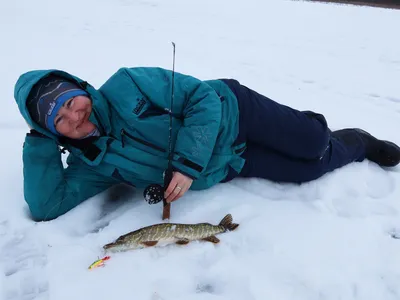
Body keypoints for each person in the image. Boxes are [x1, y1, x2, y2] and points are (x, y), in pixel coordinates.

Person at [14, 67, 400, 222]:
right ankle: (342, 142)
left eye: (69, 103)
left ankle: (346, 137)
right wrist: (39, 143)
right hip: (227, 164)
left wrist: (184, 164)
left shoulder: (127, 83)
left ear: (78, 88)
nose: (74, 117)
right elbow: (46, 205)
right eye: (58, 122)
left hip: (233, 111)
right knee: (310, 169)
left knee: (314, 142)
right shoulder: (92, 163)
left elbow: (199, 96)